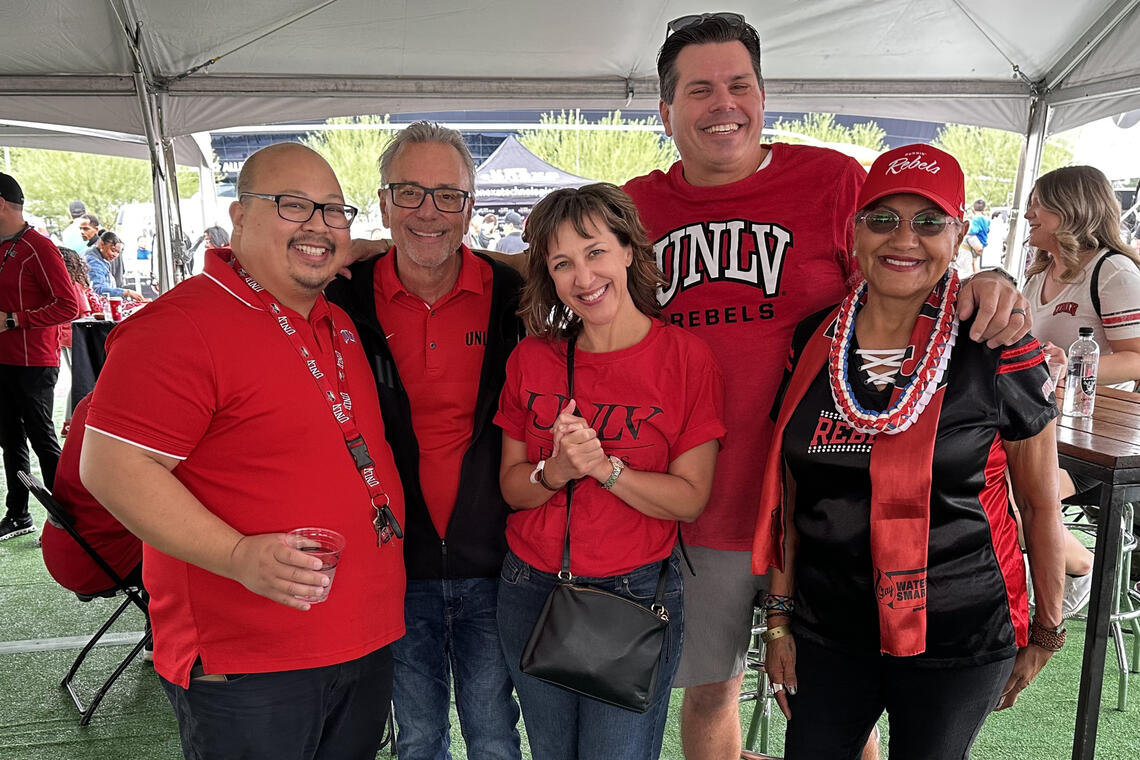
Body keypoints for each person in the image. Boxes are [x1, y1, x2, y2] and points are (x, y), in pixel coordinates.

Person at [619, 14, 1031, 760]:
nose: (724, 104)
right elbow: (555, 267)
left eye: (740, 85)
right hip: (697, 505)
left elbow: (909, 266)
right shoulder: (633, 206)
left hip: (831, 502)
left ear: (763, 96)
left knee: (841, 702)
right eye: (701, 89)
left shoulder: (834, 181)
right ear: (665, 112)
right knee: (710, 688)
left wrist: (994, 281)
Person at [79, 143, 407, 760]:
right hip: (251, 662)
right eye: (293, 205)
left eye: (334, 211)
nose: (318, 224)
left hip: (361, 639)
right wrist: (234, 554)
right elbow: (111, 467)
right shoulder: (180, 325)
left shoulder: (334, 321)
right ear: (239, 215)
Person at [758, 144, 1066, 760]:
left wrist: (1046, 630)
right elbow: (791, 499)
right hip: (829, 629)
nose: (905, 238)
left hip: (959, 629)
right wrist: (780, 621)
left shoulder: (996, 344)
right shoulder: (813, 338)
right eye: (883, 218)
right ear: (855, 231)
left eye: (929, 221)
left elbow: (1039, 503)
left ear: (958, 235)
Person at [495, 183, 726, 759]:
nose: (583, 276)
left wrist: (604, 469)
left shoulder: (685, 358)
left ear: (629, 250)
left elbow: (690, 499)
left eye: (595, 251)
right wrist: (555, 471)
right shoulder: (532, 358)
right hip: (532, 588)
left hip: (634, 592)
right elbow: (512, 488)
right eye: (562, 263)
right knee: (551, 752)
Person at [326, 121, 524, 760]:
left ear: (471, 206)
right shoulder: (337, 296)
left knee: (495, 736)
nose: (428, 212)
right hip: (391, 564)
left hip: (495, 562)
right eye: (409, 193)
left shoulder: (516, 296)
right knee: (418, 739)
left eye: (448, 195)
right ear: (382, 202)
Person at [1020, 165, 1140, 614]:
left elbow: (1136, 357)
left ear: (1071, 209)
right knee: (974, 492)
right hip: (1036, 426)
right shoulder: (1040, 272)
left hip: (1091, 439)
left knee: (1007, 506)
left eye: (1039, 203)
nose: (1029, 212)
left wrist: (1072, 367)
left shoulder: (1112, 270)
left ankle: (1080, 565)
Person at [0, 172, 81, 541]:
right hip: (2, 361)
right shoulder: (3, 247)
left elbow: (68, 305)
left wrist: (16, 319)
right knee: (8, 438)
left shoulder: (39, 246)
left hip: (34, 362)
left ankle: (70, 512)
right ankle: (18, 513)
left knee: (41, 436)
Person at [41, 394, 143, 595]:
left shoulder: (91, 402)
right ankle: (163, 620)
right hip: (99, 562)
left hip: (69, 551)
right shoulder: (132, 416)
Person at [57, 247, 96, 438]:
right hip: (75, 337)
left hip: (61, 336)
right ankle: (70, 422)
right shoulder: (74, 285)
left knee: (75, 379)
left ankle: (69, 422)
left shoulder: (58, 283)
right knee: (79, 380)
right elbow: (84, 311)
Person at [84, 231, 146, 302]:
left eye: (118, 252)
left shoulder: (100, 259)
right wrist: (127, 292)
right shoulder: (93, 262)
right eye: (113, 250)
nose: (115, 255)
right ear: (101, 244)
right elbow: (97, 290)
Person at [963, 198, 990, 272]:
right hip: (983, 241)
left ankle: (976, 276)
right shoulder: (986, 219)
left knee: (975, 261)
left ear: (973, 209)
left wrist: (966, 232)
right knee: (977, 261)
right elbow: (987, 230)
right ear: (984, 209)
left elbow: (974, 230)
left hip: (976, 242)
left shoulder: (975, 219)